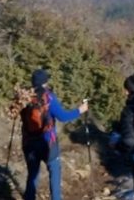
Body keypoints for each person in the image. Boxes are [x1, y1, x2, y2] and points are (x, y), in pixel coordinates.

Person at [22, 68, 88, 200]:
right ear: (45, 82)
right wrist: (80, 110)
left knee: (33, 175)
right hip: (48, 143)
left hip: (29, 143)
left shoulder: (25, 97)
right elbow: (63, 117)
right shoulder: (49, 97)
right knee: (55, 172)